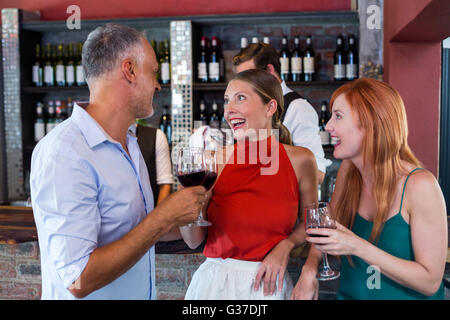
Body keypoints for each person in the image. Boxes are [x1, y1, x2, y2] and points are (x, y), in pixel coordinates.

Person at [30, 24, 206, 300]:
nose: (159, 84)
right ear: (130, 70)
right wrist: (162, 217)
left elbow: (134, 232)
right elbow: (77, 280)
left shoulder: (131, 144)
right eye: (154, 72)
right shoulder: (63, 153)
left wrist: (192, 215)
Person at [292, 78, 447, 300]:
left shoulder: (420, 185)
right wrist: (309, 270)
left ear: (370, 123)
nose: (328, 127)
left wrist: (356, 246)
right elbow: (326, 227)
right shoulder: (349, 171)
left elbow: (430, 282)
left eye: (338, 116)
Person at [181, 69, 318, 299]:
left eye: (240, 98)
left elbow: (313, 223)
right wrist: (191, 203)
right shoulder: (214, 160)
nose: (229, 109)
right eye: (226, 100)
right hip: (215, 286)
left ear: (270, 107)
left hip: (267, 286)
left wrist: (287, 245)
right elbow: (193, 240)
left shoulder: (301, 160)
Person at [232, 42, 330, 183]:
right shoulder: (249, 108)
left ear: (270, 71)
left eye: (249, 78)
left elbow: (318, 173)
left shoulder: (299, 108)